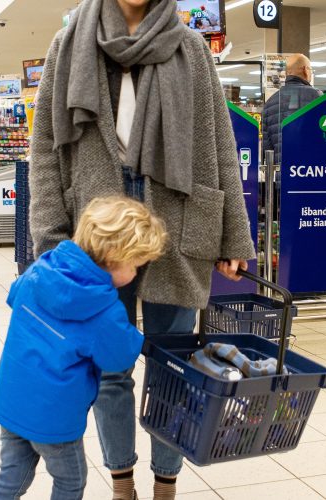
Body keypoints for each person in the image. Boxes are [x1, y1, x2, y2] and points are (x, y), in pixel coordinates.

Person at [29, 1, 255, 499]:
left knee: (174, 365)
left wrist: (234, 236)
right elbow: (45, 147)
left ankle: (167, 482)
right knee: (111, 369)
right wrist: (49, 236)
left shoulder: (190, 48)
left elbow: (220, 144)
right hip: (98, 230)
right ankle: (122, 480)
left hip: (178, 222)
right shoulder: (69, 46)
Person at [0, 196, 167, 500]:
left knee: (12, 474)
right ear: (113, 256)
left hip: (12, 398)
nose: (137, 274)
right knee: (70, 481)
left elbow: (14, 296)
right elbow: (119, 356)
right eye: (136, 265)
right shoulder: (102, 308)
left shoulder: (42, 267)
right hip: (55, 415)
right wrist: (135, 336)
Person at [262, 53, 322, 164]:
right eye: (310, 69)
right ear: (305, 70)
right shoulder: (317, 97)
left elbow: (267, 148)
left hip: (283, 175)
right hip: (312, 171)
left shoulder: (270, 103)